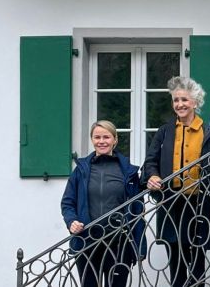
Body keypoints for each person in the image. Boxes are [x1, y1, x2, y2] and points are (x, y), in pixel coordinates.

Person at [142, 76, 210, 287]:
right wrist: (152, 175)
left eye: (184, 100)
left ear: (195, 102)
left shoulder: (208, 132)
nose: (180, 104)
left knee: (197, 262)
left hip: (198, 204)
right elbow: (150, 162)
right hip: (172, 204)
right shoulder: (165, 131)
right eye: (176, 100)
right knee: (175, 261)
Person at [61, 120, 146, 287]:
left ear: (115, 140)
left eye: (106, 137)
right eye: (97, 137)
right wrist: (71, 222)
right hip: (87, 241)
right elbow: (67, 202)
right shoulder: (81, 170)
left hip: (119, 241)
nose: (101, 141)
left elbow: (138, 210)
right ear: (92, 140)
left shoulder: (127, 171)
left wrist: (139, 245)